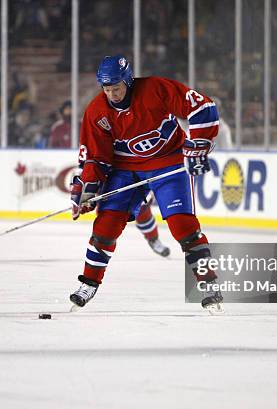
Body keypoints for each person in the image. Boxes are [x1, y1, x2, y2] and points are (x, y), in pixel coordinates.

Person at [68, 55, 222, 313]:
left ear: (128, 81)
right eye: (107, 89)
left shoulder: (155, 89)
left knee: (183, 226)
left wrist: (199, 145)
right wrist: (87, 189)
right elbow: (96, 157)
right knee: (105, 227)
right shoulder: (97, 112)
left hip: (168, 162)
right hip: (125, 170)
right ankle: (88, 283)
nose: (112, 94)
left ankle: (209, 284)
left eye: (116, 87)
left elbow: (202, 107)